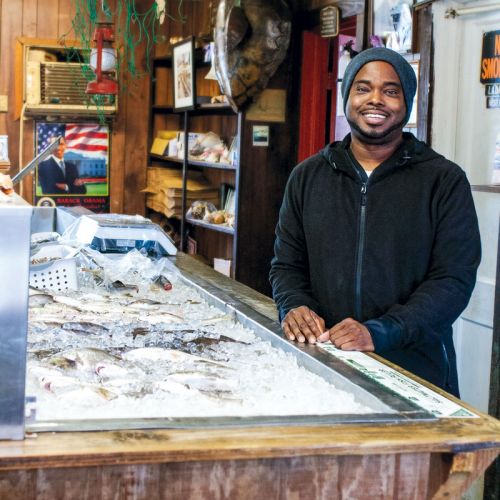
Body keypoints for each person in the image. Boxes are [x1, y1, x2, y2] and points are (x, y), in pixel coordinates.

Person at [269, 47, 481, 396]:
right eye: (363, 88)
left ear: (407, 102)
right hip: (323, 362)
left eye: (391, 90)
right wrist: (293, 305)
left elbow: (453, 280)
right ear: (347, 97)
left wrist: (379, 332)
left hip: (415, 371)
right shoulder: (307, 177)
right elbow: (286, 265)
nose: (375, 100)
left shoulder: (443, 180)